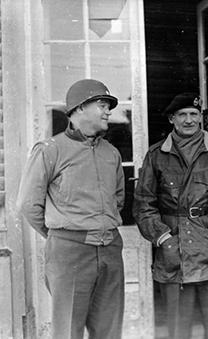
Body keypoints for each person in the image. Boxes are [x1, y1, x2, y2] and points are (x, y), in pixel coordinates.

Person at [133, 92, 208, 339]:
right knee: (178, 331)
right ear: (172, 119)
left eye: (194, 114)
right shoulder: (156, 155)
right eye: (182, 115)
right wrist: (164, 239)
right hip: (174, 254)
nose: (189, 120)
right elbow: (143, 204)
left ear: (200, 118)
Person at [17, 79, 125, 339]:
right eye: (102, 105)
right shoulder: (50, 150)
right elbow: (28, 204)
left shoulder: (111, 153)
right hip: (70, 254)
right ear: (79, 109)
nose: (108, 111)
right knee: (68, 331)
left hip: (110, 249)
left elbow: (118, 199)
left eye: (108, 106)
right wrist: (63, 234)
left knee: (109, 331)